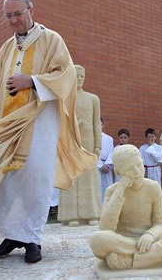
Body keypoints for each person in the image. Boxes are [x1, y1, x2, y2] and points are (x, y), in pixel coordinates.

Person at [0, 0, 96, 264]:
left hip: (40, 120)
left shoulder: (51, 39)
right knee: (7, 180)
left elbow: (65, 75)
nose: (13, 20)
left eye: (18, 13)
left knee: (35, 179)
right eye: (8, 15)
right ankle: (12, 234)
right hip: (8, 124)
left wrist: (31, 81)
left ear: (31, 10)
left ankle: (32, 238)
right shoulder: (6, 47)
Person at [89, 145, 162, 270]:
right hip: (124, 241)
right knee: (97, 240)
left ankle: (130, 261)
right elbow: (105, 228)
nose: (137, 171)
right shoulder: (112, 191)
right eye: (129, 169)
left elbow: (160, 225)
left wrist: (150, 235)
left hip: (151, 241)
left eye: (138, 165)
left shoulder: (153, 187)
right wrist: (120, 191)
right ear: (118, 172)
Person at [58, 65, 102, 226]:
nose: (80, 79)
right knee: (72, 176)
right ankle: (71, 216)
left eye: (82, 76)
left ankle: (92, 213)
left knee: (89, 178)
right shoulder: (64, 97)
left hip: (88, 141)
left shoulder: (93, 99)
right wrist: (73, 124)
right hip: (71, 141)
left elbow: (97, 122)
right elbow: (60, 121)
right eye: (77, 76)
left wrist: (98, 144)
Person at [98, 117, 114, 202]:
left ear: (103, 125)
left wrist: (107, 165)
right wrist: (100, 165)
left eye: (99, 124)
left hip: (107, 168)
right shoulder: (91, 138)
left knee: (108, 189)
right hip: (97, 166)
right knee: (98, 189)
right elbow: (92, 153)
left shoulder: (109, 138)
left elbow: (112, 152)